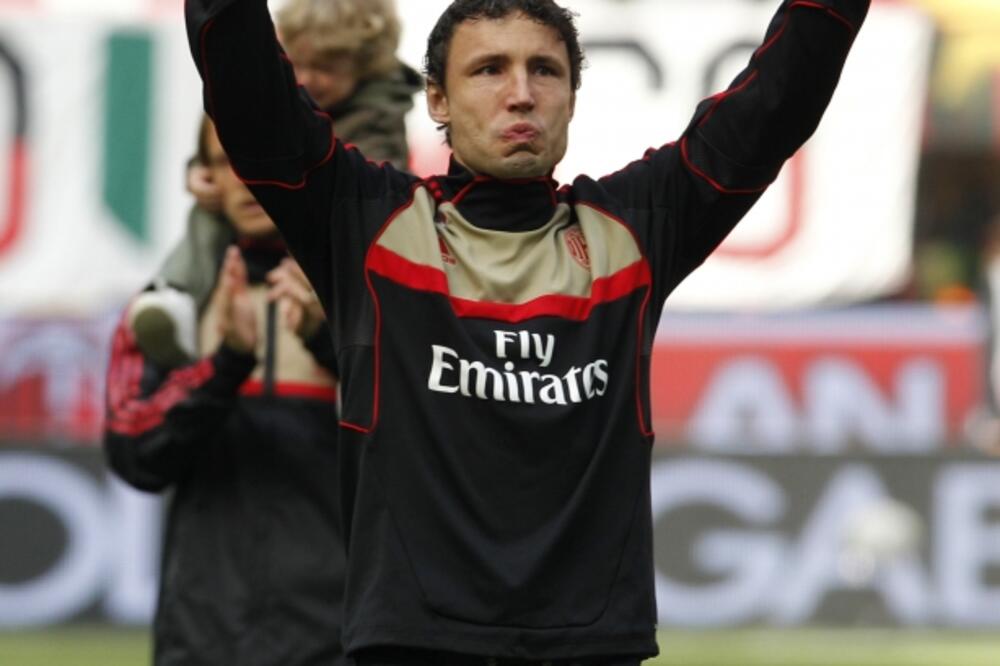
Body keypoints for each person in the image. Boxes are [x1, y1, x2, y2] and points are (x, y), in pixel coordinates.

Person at [184, 0, 870, 662]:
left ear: (572, 97)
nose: (520, 94)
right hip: (416, 643)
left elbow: (778, 101)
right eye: (488, 69)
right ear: (437, 99)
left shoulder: (637, 228)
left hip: (592, 646)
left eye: (545, 70)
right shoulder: (364, 222)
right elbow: (248, 91)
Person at [104, 116, 345, 666]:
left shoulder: (369, 294)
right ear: (206, 177)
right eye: (226, 160)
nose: (245, 177)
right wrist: (226, 364)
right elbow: (133, 453)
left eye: (261, 155)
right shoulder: (168, 304)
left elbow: (423, 440)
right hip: (201, 640)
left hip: (339, 640)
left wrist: (328, 342)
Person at [132, 0, 421, 367]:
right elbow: (230, 133)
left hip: (322, 230)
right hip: (274, 217)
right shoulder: (292, 92)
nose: (309, 78)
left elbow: (366, 191)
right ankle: (177, 289)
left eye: (325, 68)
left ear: (365, 67)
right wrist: (200, 169)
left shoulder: (379, 115)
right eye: (300, 63)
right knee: (217, 200)